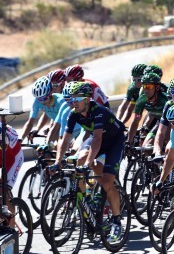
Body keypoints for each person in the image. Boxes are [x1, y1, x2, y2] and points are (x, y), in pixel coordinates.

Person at [53, 81, 126, 241]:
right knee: (79, 159)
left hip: (114, 141)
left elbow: (98, 139)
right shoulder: (74, 113)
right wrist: (58, 160)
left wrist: (88, 164)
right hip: (96, 140)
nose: (74, 102)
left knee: (107, 182)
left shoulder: (98, 111)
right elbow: (65, 139)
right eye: (71, 99)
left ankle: (116, 221)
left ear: (87, 99)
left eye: (77, 99)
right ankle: (87, 199)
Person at [127, 72, 170, 146]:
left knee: (164, 146)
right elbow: (135, 122)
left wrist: (165, 142)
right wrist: (129, 142)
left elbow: (171, 123)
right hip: (160, 123)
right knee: (145, 148)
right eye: (144, 86)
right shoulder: (141, 100)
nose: (146, 90)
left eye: (149, 87)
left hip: (173, 124)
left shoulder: (165, 100)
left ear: (157, 87)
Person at [21, 76, 66, 144]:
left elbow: (59, 126)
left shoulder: (60, 101)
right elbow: (30, 122)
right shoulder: (37, 102)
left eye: (44, 98)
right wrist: (21, 139)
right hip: (58, 125)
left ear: (50, 93)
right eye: (39, 99)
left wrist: (49, 142)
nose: (42, 102)